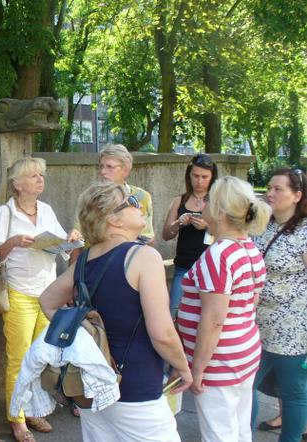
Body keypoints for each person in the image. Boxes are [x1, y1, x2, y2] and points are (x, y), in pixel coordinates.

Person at [40, 181, 192, 442]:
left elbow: (48, 301)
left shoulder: (85, 260)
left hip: (91, 385)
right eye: (131, 202)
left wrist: (83, 332)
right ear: (113, 220)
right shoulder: (143, 256)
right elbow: (162, 333)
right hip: (136, 387)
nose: (139, 205)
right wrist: (183, 366)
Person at [0, 157, 82, 442]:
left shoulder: (47, 209)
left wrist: (71, 239)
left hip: (47, 294)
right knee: (19, 358)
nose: (41, 179)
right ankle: (16, 419)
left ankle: (32, 409)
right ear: (17, 184)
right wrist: (13, 242)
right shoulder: (5, 213)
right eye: (33, 175)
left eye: (42, 174)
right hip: (18, 293)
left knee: (41, 358)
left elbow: (64, 250)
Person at [177, 176, 270, 442]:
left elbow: (214, 320)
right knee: (239, 428)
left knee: (219, 433)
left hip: (219, 360)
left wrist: (198, 370)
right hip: (243, 352)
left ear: (218, 211)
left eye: (207, 201)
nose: (201, 204)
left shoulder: (218, 255)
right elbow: (249, 303)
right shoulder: (249, 249)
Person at [251, 168, 307, 442]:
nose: (269, 193)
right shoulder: (263, 224)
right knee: (245, 385)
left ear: (297, 196)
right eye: (269, 188)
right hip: (255, 324)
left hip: (292, 328)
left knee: (293, 390)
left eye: (277, 189)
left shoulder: (305, 232)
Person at [162, 153, 218, 312]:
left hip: (210, 268)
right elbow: (166, 235)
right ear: (189, 175)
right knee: (175, 313)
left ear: (212, 177)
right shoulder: (180, 200)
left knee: (206, 315)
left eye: (204, 177)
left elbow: (228, 234)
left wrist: (207, 226)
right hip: (184, 268)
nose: (199, 181)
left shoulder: (217, 201)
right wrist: (178, 223)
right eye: (195, 176)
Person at [98, 144, 155, 244]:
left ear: (125, 170)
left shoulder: (142, 197)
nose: (103, 171)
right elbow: (78, 235)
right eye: (101, 166)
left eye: (109, 167)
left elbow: (148, 238)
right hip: (95, 257)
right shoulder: (91, 197)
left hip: (128, 256)